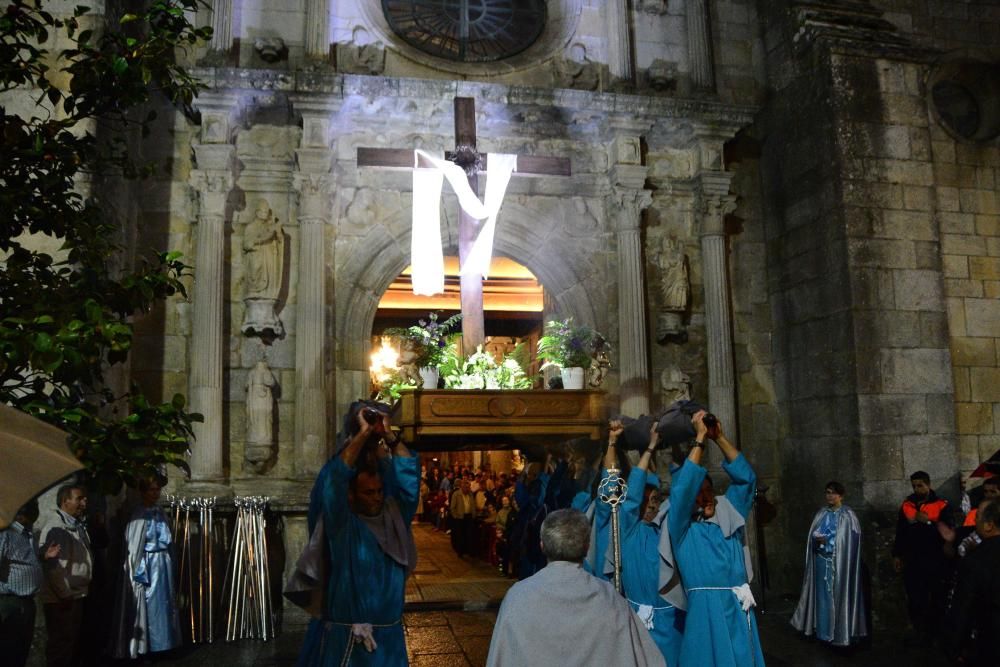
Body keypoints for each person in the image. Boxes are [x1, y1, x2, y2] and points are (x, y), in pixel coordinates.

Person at [296, 406, 418, 666]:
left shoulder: (394, 518)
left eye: (379, 491)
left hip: (390, 645)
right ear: (351, 495)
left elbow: (409, 478)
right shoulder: (343, 526)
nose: (376, 498)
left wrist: (390, 436)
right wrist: (362, 435)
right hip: (350, 645)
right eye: (368, 492)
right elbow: (334, 481)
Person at [485, 508, 665, 667]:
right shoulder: (610, 597)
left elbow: (502, 656)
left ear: (542, 545)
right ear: (587, 547)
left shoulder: (518, 595)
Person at [669, 411, 764, 667]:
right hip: (706, 616)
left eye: (709, 490)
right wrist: (699, 439)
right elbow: (681, 492)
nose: (707, 497)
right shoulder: (682, 529)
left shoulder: (728, 515)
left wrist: (718, 437)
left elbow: (747, 480)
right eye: (699, 494)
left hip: (737, 610)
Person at [615, 424, 687, 666]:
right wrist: (649, 449)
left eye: (655, 500)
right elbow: (632, 494)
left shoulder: (668, 530)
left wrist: (674, 452)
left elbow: (682, 495)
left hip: (670, 622)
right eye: (646, 501)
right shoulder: (629, 531)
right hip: (636, 620)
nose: (651, 505)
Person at [110, 475, 181, 659]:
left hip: (162, 563)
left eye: (157, 489)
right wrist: (138, 570)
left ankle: (165, 643)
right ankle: (147, 646)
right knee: (149, 605)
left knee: (164, 604)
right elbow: (134, 546)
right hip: (148, 565)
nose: (155, 493)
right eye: (152, 489)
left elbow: (168, 540)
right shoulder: (138, 515)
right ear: (143, 492)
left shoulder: (160, 512)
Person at [790, 481, 867, 647]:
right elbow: (813, 535)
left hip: (838, 564)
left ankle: (840, 633)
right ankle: (823, 633)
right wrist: (816, 540)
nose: (830, 496)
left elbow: (849, 541)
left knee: (838, 597)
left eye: (833, 493)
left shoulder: (847, 515)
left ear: (841, 495)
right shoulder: (821, 514)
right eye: (827, 492)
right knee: (822, 598)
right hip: (820, 562)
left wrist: (829, 542)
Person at [36, 483, 93, 667]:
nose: (84, 503)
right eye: (79, 499)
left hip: (75, 594)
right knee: (61, 646)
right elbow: (53, 566)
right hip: (63, 598)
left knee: (69, 644)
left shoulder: (75, 525)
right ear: (65, 501)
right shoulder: (56, 528)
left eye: (84, 499)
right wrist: (64, 593)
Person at [892, 470, 953, 639]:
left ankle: (935, 632)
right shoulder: (907, 505)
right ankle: (920, 631)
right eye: (914, 486)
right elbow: (901, 531)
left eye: (920, 485)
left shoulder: (941, 504)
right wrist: (897, 554)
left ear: (928, 485)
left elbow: (947, 530)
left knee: (936, 597)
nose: (917, 489)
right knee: (915, 597)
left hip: (934, 559)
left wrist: (927, 521)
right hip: (913, 559)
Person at [0, 500, 60, 667]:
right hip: (11, 603)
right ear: (21, 513)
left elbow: (22, 562)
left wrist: (43, 557)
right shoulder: (6, 534)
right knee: (8, 653)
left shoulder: (27, 534)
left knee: (20, 653)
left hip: (26, 604)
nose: (36, 511)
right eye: (32, 507)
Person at [945, 498, 1000, 666]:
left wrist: (954, 648)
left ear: (988, 525)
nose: (974, 521)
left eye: (978, 518)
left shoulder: (975, 561)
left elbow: (963, 609)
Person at [242, 198, 283, 300]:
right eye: (263, 211)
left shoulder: (270, 226)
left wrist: (277, 232)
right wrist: (259, 240)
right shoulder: (250, 227)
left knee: (268, 283)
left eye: (267, 211)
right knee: (255, 276)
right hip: (256, 258)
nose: (266, 213)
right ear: (257, 212)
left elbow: (280, 242)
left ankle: (268, 292)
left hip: (269, 260)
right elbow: (246, 244)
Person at [450, 480, 476, 557]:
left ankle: (469, 551)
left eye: (469, 487)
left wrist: (474, 514)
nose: (468, 489)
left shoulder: (470, 494)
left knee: (469, 534)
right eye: (466, 487)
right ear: (462, 487)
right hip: (460, 517)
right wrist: (455, 516)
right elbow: (452, 507)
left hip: (469, 516)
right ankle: (460, 551)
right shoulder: (456, 494)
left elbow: (473, 504)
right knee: (460, 535)